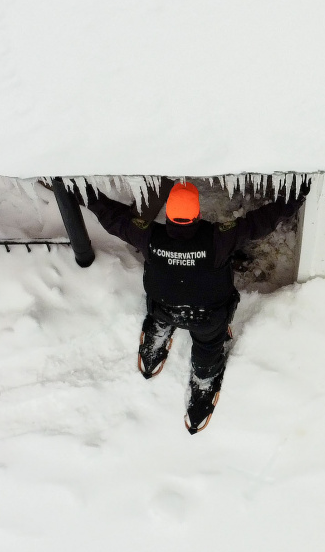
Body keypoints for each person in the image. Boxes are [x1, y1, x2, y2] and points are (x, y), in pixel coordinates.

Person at [72, 179, 309, 434]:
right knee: (208, 347)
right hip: (208, 319)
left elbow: (114, 218)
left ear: (170, 216)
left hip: (163, 308)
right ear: (197, 214)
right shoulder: (220, 238)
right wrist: (294, 197)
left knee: (162, 307)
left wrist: (85, 192)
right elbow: (260, 222)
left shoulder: (149, 235)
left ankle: (158, 332)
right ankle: (204, 380)